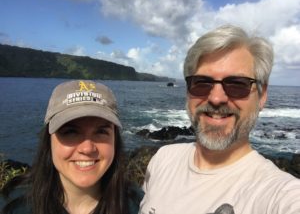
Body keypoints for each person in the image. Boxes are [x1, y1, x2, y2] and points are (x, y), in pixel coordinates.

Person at [139, 25, 300, 214]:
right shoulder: (162, 160)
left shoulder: (279, 195)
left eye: (237, 84)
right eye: (202, 83)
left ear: (262, 95)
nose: (216, 98)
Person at [1, 80, 142, 214]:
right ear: (48, 141)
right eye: (70, 132)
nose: (87, 149)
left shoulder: (140, 205)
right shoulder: (13, 205)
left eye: (101, 132)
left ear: (115, 141)